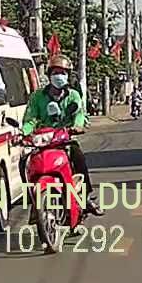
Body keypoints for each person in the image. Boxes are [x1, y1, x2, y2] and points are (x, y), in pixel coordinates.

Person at [21, 55, 102, 215]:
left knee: (78, 157)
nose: (59, 76)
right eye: (55, 73)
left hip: (64, 138)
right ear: (49, 75)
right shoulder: (37, 96)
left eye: (62, 73)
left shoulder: (73, 95)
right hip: (43, 140)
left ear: (68, 76)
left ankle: (85, 197)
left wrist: (77, 126)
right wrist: (24, 132)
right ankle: (32, 198)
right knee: (24, 162)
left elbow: (79, 114)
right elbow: (30, 118)